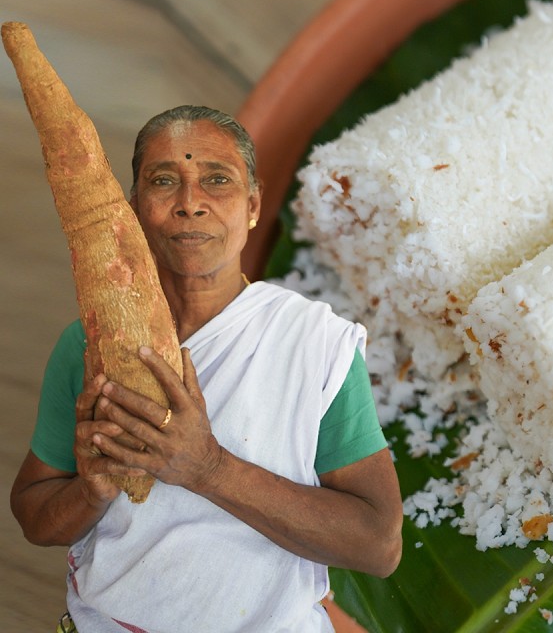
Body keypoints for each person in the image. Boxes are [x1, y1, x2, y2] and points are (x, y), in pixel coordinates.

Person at [10, 105, 402, 632]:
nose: (190, 203)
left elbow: (378, 545)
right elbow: (35, 515)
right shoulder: (88, 343)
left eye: (217, 180)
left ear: (254, 205)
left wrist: (207, 468)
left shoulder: (313, 344)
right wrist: (90, 491)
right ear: (134, 209)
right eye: (164, 181)